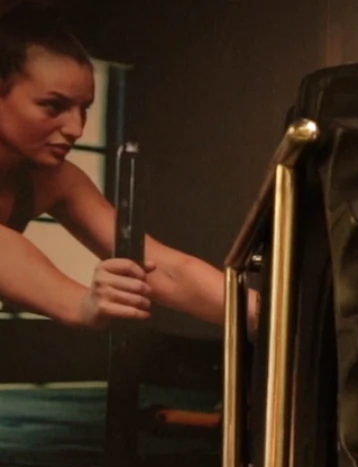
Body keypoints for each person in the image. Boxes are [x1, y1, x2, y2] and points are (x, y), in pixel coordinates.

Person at [0, 5, 250, 331]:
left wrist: (264, 313)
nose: (76, 128)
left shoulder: (53, 180)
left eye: (84, 109)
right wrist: (82, 303)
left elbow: (165, 269)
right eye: (53, 105)